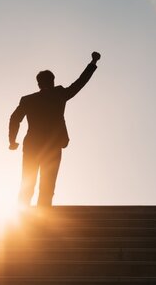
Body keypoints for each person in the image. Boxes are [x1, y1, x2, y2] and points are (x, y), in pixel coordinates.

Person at [9, 51, 101, 206]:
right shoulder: (59, 94)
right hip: (52, 146)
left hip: (32, 145)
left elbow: (14, 118)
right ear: (52, 81)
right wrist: (93, 63)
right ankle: (42, 219)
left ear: (38, 83)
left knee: (27, 184)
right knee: (47, 186)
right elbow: (80, 83)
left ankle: (23, 217)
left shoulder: (28, 100)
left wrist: (12, 140)